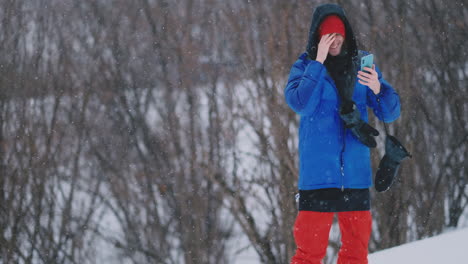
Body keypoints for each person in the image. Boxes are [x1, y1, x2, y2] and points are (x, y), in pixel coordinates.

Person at [284, 3, 401, 264]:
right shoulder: (304, 67)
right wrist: (318, 62)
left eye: (338, 35)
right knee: (308, 256)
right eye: (328, 36)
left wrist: (378, 87)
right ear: (318, 37)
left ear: (346, 34)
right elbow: (300, 102)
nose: (334, 41)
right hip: (317, 177)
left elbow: (390, 113)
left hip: (355, 175)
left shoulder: (363, 63)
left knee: (356, 255)